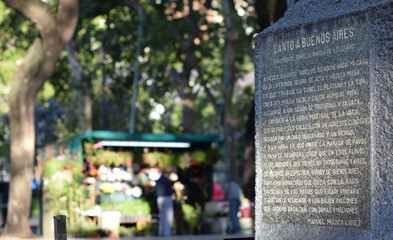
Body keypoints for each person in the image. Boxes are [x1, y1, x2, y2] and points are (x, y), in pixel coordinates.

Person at [155, 168, 175, 236]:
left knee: (162, 215)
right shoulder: (167, 181)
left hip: (160, 198)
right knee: (168, 216)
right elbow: (170, 190)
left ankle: (161, 232)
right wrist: (174, 191)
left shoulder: (158, 181)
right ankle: (167, 232)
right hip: (166, 197)